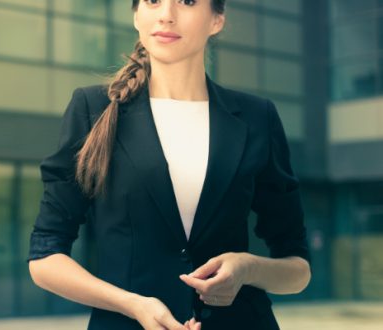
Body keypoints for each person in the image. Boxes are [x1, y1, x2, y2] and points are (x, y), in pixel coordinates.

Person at [27, 0, 312, 329]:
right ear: (136, 15)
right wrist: (133, 304)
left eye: (187, 2)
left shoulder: (257, 118)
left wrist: (247, 268)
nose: (166, 14)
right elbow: (45, 256)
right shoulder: (92, 109)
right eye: (152, 1)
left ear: (217, 20)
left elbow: (298, 269)